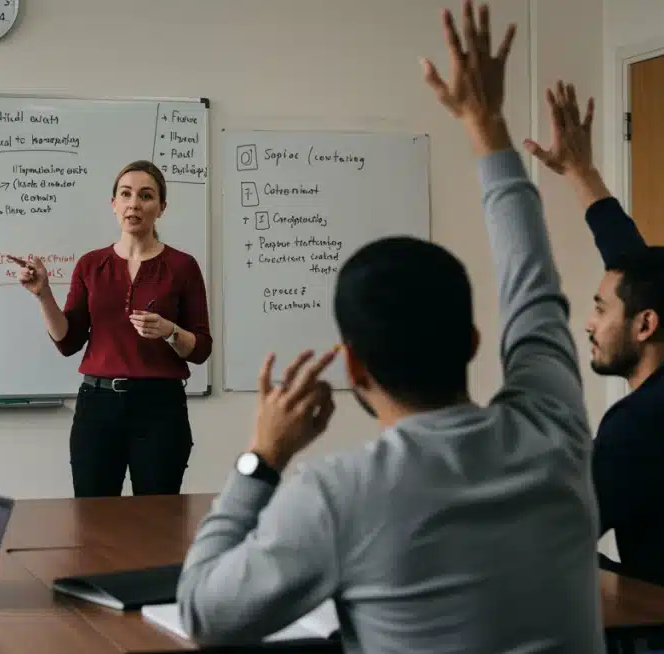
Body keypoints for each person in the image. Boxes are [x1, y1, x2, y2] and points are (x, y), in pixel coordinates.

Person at [176, 3, 604, 651]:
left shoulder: (337, 495)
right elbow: (533, 283)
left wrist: (260, 459)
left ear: (352, 367)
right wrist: (486, 125)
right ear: (472, 343)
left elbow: (205, 615)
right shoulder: (554, 431)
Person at [525, 80, 664, 600]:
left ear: (646, 326)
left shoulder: (644, 422)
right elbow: (633, 266)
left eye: (598, 308)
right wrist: (580, 173)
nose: (588, 323)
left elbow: (555, 537)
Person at [8, 160, 211, 498]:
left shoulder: (182, 266)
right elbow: (68, 341)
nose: (134, 204)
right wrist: (43, 295)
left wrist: (170, 331)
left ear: (161, 208)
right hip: (98, 406)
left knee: (156, 522)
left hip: (160, 407)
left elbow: (201, 348)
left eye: (146, 196)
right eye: (126, 194)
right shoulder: (91, 264)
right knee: (93, 521)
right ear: (113, 204)